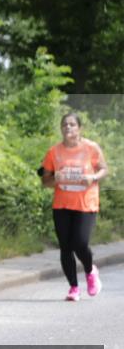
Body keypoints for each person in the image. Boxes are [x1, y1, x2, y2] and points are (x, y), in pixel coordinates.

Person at [40, 112, 108, 302]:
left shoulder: (91, 148)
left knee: (80, 243)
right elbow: (45, 181)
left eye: (71, 124)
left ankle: (90, 270)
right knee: (65, 247)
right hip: (62, 204)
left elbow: (104, 169)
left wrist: (92, 177)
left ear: (79, 128)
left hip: (86, 203)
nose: (67, 128)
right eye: (64, 125)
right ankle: (74, 288)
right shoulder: (54, 152)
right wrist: (55, 179)